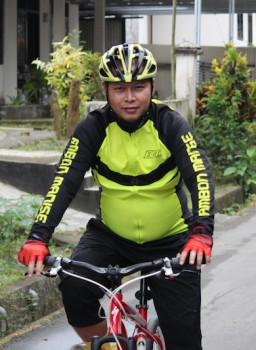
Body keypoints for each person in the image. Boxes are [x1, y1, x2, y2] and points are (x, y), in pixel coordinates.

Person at [17, 43, 215, 350]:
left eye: (138, 87)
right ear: (106, 90)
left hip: (172, 239)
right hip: (111, 237)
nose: (130, 97)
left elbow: (200, 175)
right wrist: (37, 237)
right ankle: (113, 345)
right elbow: (64, 182)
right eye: (119, 88)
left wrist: (201, 232)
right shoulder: (94, 128)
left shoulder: (170, 124)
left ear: (152, 86)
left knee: (185, 341)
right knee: (74, 286)